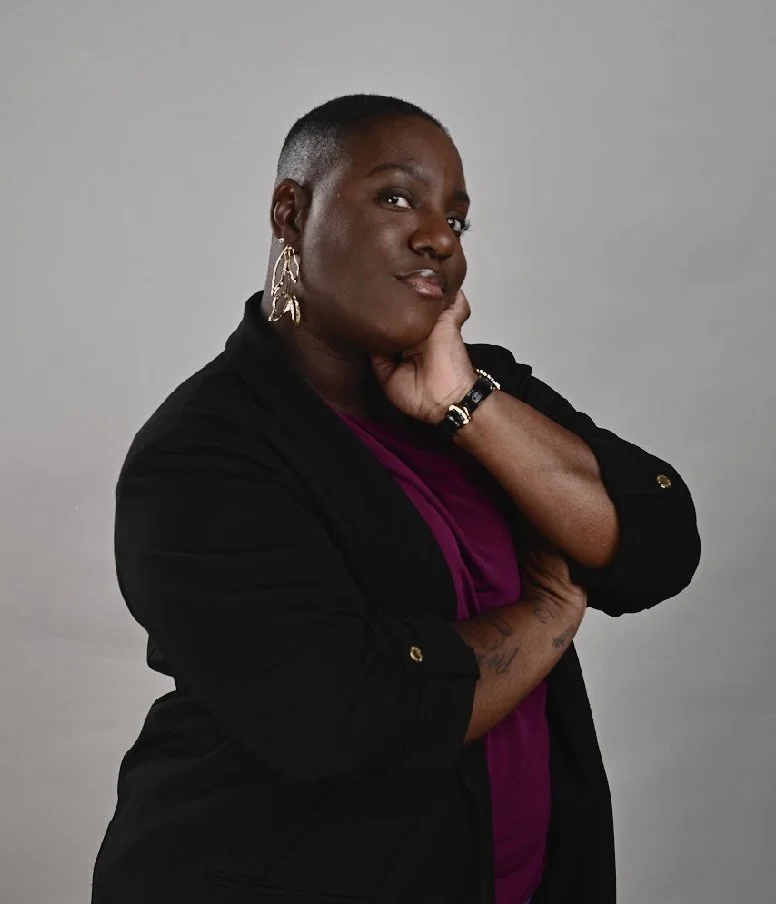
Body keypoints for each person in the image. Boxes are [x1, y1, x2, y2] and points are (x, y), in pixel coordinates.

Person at [90, 94, 701, 904]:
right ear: (291, 211)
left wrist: (467, 408)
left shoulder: (483, 391)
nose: (440, 238)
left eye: (458, 217)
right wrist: (550, 615)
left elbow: (657, 546)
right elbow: (351, 721)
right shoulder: (202, 454)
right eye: (396, 197)